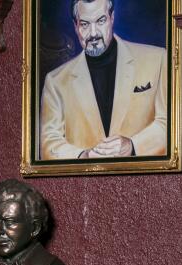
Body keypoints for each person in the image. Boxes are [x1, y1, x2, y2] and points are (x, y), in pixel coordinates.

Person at [39, 0, 167, 160]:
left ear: (112, 18)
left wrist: (133, 146)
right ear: (75, 26)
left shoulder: (158, 59)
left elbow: (169, 124)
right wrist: (83, 156)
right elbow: (48, 145)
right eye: (84, 24)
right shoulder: (55, 81)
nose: (93, 33)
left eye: (100, 21)